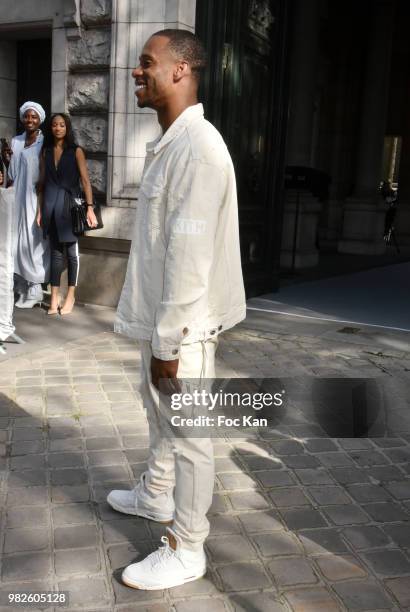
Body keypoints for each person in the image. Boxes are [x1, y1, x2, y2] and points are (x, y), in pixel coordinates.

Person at [108, 30, 246, 590]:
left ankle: (187, 546)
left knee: (190, 434)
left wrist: (168, 346)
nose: (137, 73)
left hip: (183, 329)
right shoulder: (172, 143)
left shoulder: (199, 148)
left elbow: (189, 260)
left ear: (181, 70)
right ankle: (155, 494)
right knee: (159, 414)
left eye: (147, 63)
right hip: (164, 320)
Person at [37, 113, 97, 315]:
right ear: (51, 128)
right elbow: (42, 184)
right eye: (54, 125)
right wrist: (39, 211)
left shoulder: (76, 151)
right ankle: (54, 298)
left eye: (62, 125)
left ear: (67, 128)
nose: (58, 128)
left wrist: (89, 207)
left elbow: (86, 181)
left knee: (71, 253)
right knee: (54, 253)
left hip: (70, 206)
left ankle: (70, 295)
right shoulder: (45, 151)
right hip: (50, 206)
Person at [8, 101, 49, 308]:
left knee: (33, 242)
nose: (29, 120)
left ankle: (35, 289)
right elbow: (11, 174)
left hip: (35, 198)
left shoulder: (44, 143)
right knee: (16, 241)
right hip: (16, 197)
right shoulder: (16, 141)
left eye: (34, 117)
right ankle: (21, 286)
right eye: (26, 116)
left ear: (40, 119)